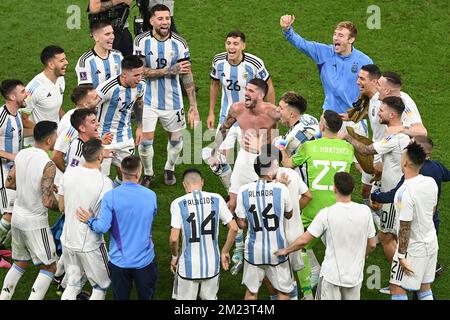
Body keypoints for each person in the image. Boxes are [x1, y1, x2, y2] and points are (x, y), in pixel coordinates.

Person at [209, 78, 280, 273]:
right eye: (245, 89)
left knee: (263, 207)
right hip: (244, 159)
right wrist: (216, 151)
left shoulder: (273, 112)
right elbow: (224, 128)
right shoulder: (237, 109)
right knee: (232, 205)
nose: (246, 93)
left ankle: (260, 248)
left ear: (261, 95)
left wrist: (276, 158)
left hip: (265, 161)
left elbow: (290, 125)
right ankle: (238, 248)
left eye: (250, 90)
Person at [341, 96, 410, 293]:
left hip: (394, 197)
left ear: (392, 114)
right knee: (398, 236)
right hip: (399, 193)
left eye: (381, 110)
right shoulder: (403, 134)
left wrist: (347, 137)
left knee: (387, 237)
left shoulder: (394, 138)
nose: (378, 113)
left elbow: (365, 149)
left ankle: (399, 284)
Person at [279, 109, 354, 291]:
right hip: (338, 206)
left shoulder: (310, 147)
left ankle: (308, 282)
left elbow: (288, 164)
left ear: (322, 126)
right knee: (337, 251)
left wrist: (282, 150)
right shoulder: (348, 148)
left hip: (313, 207)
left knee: (298, 243)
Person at [275, 172, 377, 300]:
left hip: (331, 277)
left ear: (335, 188)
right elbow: (372, 244)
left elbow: (304, 240)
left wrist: (286, 250)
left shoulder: (327, 213)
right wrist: (364, 254)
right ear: (353, 189)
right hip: (355, 277)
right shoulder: (365, 211)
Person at [134, 4, 200, 187]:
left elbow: (186, 74)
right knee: (146, 142)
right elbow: (140, 71)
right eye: (161, 18)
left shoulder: (180, 43)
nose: (165, 22)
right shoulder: (141, 41)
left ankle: (169, 168)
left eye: (167, 18)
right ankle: (148, 173)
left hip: (174, 101)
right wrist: (169, 70)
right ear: (152, 20)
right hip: (147, 99)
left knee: (176, 140)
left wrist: (193, 105)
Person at [77, 156, 158, 300]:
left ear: (121, 170)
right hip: (145, 261)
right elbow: (152, 215)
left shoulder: (110, 196)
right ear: (139, 172)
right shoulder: (151, 195)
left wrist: (90, 220)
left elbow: (102, 227)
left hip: (119, 262)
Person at [205, 30, 275, 190]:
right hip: (227, 119)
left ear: (243, 46)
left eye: (236, 44)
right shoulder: (218, 61)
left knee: (255, 162)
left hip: (251, 121)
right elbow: (214, 84)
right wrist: (211, 111)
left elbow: (269, 85)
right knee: (216, 160)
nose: (231, 47)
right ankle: (233, 191)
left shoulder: (254, 63)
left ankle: (258, 193)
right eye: (228, 43)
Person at [371, 136, 449, 277]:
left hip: (415, 224)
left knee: (414, 268)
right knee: (427, 258)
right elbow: (447, 175)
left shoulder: (413, 175)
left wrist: (375, 196)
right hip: (432, 221)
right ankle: (431, 268)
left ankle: (411, 280)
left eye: (411, 145)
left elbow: (393, 195)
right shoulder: (437, 168)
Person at [0, 121, 59, 300]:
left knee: (20, 263)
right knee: (50, 267)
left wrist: (33, 186)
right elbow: (48, 201)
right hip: (35, 222)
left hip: (17, 217)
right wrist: (64, 206)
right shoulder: (48, 164)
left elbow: (9, 182)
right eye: (56, 135)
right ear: (49, 140)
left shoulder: (22, 154)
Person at [280, 16, 373, 115]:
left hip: (353, 117)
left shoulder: (364, 61)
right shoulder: (323, 53)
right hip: (329, 115)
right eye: (335, 34)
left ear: (351, 40)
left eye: (340, 35)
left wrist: (362, 114)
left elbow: (374, 90)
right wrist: (287, 30)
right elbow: (302, 44)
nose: (336, 38)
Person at [169, 168, 238, 300]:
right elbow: (234, 228)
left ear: (184, 184)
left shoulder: (177, 203)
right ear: (202, 182)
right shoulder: (217, 199)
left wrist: (174, 256)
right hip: (212, 264)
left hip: (187, 266)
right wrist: (225, 251)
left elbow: (173, 239)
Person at [58, 139, 113, 300]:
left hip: (67, 240)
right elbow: (105, 220)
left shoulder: (69, 173)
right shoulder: (105, 182)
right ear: (100, 156)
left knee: (73, 283)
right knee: (100, 286)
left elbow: (61, 207)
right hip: (90, 244)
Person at [235, 152, 294, 300]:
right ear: (268, 173)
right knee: (284, 293)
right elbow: (289, 214)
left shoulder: (243, 191)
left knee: (251, 293)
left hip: (253, 251)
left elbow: (241, 224)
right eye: (275, 167)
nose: (278, 169)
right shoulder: (281, 189)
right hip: (278, 250)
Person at [389, 141, 438, 300]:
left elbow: (405, 227)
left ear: (405, 162)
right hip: (431, 243)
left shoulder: (404, 192)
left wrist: (401, 256)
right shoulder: (430, 182)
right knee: (424, 289)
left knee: (397, 289)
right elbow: (432, 210)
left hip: (413, 249)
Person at [95, 55, 145, 184]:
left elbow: (139, 102)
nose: (139, 79)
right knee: (102, 179)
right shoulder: (106, 88)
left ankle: (121, 197)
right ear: (124, 74)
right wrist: (94, 135)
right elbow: (88, 108)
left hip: (125, 137)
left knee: (131, 176)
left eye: (141, 74)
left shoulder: (141, 85)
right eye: (136, 75)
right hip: (105, 138)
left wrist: (139, 127)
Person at [0, 80, 29, 268]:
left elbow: (18, 133)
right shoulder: (1, 116)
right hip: (3, 172)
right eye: (23, 91)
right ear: (12, 97)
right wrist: (11, 155)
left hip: (15, 170)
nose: (27, 94)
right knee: (8, 213)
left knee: (16, 210)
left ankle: (1, 246)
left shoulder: (17, 113)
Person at [52, 85, 108, 173]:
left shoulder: (82, 117)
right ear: (85, 104)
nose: (99, 99)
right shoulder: (71, 126)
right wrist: (69, 175)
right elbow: (56, 156)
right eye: (95, 98)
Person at [23, 45, 68, 146]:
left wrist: (68, 121)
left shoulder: (60, 78)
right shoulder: (34, 89)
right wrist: (45, 133)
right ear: (51, 64)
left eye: (65, 59)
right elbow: (22, 118)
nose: (66, 62)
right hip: (38, 144)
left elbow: (56, 104)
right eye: (62, 61)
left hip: (53, 139)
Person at [275, 91, 320, 180]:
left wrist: (278, 143)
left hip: (306, 183)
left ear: (292, 114)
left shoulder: (292, 138)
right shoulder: (309, 118)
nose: (277, 109)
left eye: (281, 108)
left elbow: (285, 163)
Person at [76, 21, 124, 89]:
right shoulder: (85, 61)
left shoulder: (118, 56)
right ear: (96, 37)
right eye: (107, 34)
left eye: (112, 33)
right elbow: (86, 92)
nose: (112, 37)